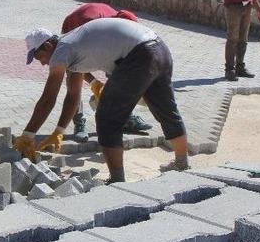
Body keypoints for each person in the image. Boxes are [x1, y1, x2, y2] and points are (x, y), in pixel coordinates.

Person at [13, 18, 189, 183]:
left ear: (48, 45)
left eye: (39, 57)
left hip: (138, 56)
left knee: (107, 118)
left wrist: (28, 135)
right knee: (165, 108)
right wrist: (59, 130)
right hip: (159, 49)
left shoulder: (62, 50)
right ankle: (182, 163)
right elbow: (73, 95)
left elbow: (48, 99)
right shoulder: (72, 46)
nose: (42, 63)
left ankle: (116, 181)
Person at [60, 3, 152, 142]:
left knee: (120, 75)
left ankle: (127, 117)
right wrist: (94, 83)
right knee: (74, 80)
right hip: (75, 27)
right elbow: (77, 67)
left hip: (100, 33)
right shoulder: (90, 29)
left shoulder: (119, 31)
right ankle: (79, 123)